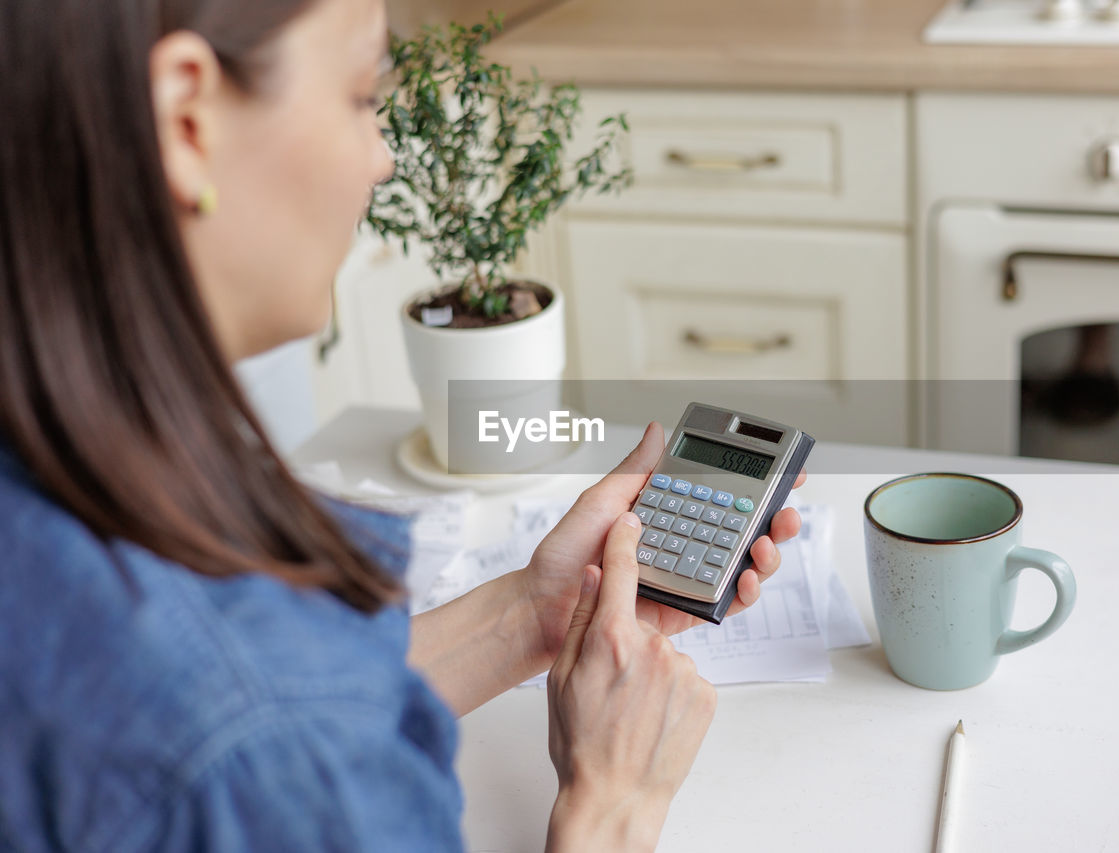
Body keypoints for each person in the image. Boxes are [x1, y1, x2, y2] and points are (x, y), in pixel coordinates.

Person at [0, 1, 803, 850]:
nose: (382, 158)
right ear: (186, 118)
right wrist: (613, 802)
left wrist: (531, 612)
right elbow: (267, 734)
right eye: (357, 95)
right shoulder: (264, 744)